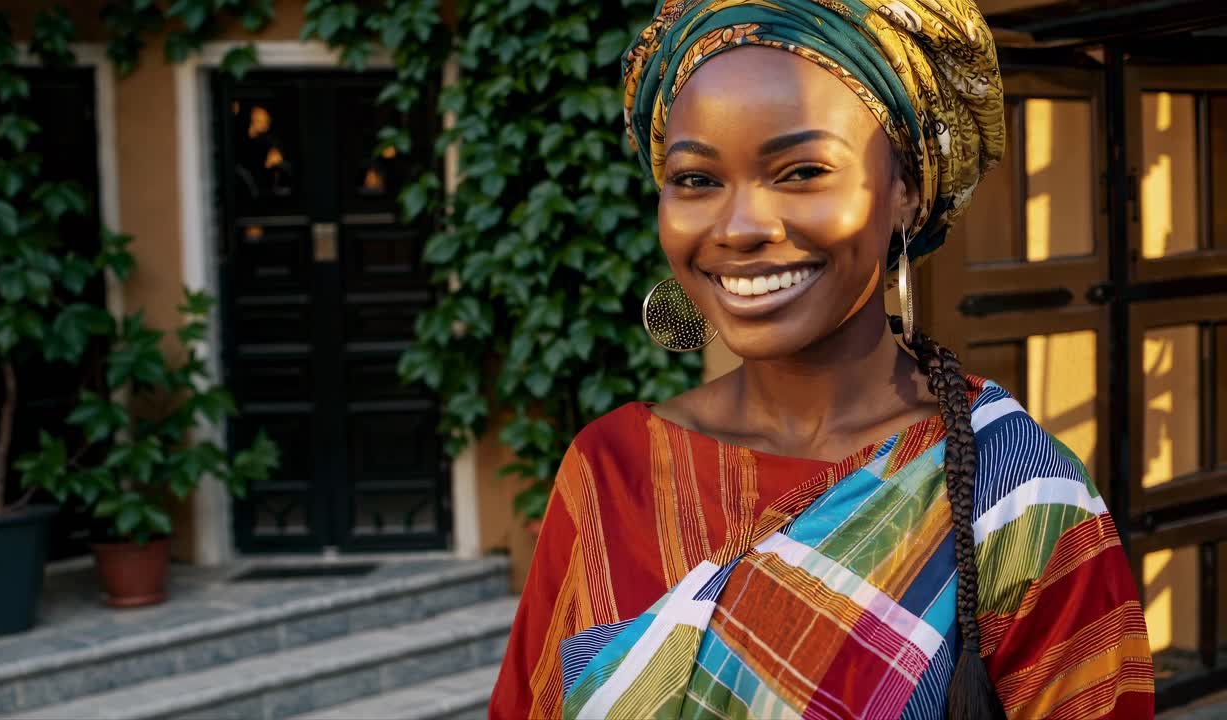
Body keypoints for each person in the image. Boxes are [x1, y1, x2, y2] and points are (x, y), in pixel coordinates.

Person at [490, 0, 1154, 717]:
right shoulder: (610, 470)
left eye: (802, 171)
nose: (740, 228)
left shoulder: (1017, 499)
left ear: (907, 191)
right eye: (696, 180)